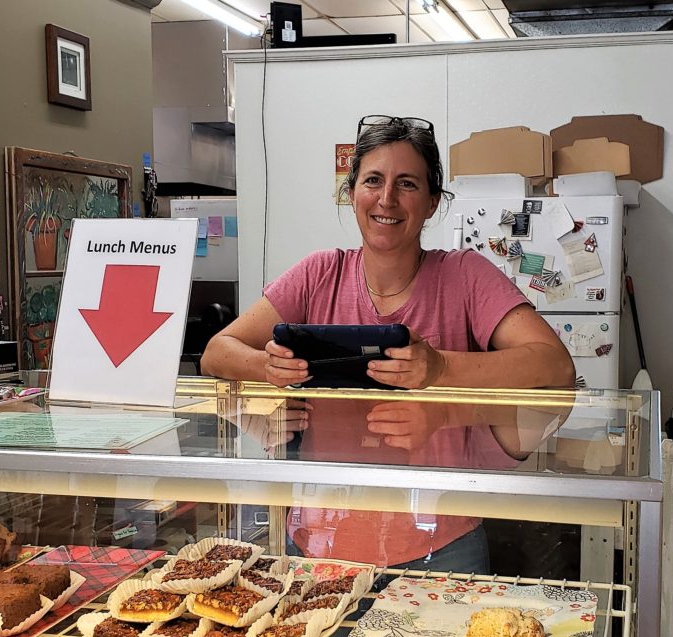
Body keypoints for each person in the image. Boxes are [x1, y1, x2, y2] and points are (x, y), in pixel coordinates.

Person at [201, 114, 574, 576]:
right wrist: (267, 370)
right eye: (373, 180)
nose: (387, 199)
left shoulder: (465, 276)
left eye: (408, 184)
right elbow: (217, 353)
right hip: (317, 543)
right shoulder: (320, 273)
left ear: (434, 201)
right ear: (352, 191)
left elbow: (555, 367)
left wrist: (439, 375)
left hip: (442, 547)